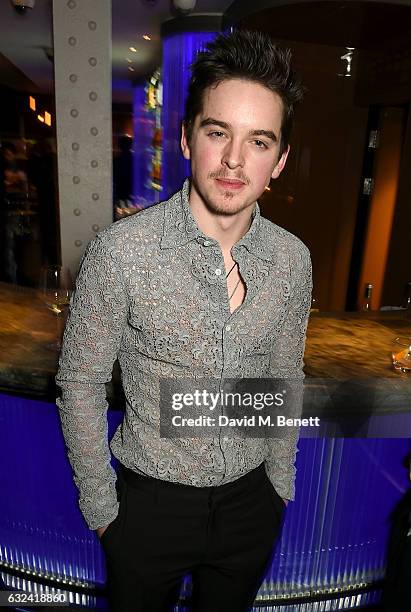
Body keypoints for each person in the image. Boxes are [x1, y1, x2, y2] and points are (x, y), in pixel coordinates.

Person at [56, 29, 312, 612]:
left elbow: (284, 377)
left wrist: (278, 488)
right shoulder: (122, 251)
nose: (234, 160)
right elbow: (80, 383)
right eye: (218, 131)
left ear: (280, 160)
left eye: (259, 141)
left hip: (251, 507)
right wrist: (104, 513)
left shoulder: (293, 260)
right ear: (187, 138)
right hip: (148, 511)